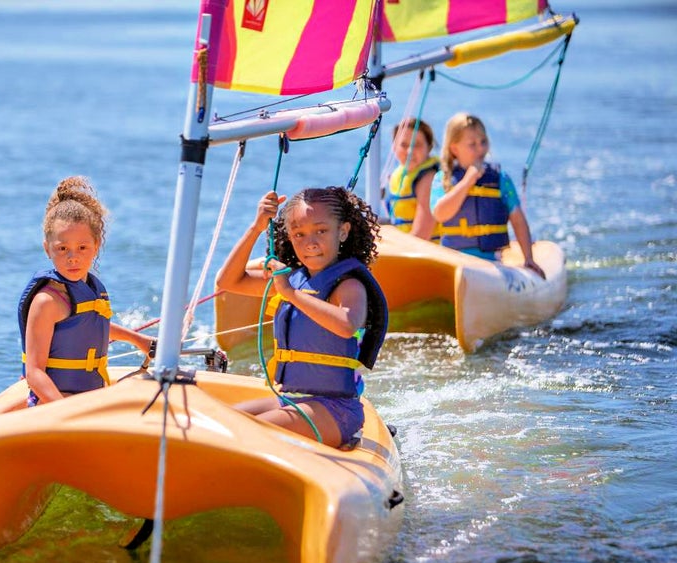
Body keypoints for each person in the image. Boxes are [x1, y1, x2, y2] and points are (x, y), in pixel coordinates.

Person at [215, 186, 388, 449]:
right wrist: (256, 227)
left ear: (343, 231)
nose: (310, 243)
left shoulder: (349, 284)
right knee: (217, 422)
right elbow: (228, 281)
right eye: (299, 234)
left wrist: (291, 293)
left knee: (245, 433)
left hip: (335, 410)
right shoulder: (293, 279)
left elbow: (346, 325)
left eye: (321, 231)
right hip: (291, 399)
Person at [17, 176, 155, 407]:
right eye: (62, 249)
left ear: (96, 245)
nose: (73, 257)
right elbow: (34, 373)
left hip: (91, 397)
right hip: (55, 405)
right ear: (47, 249)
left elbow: (86, 325)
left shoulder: (89, 288)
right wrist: (66, 411)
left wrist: (137, 339)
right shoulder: (47, 302)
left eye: (82, 247)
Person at [431, 112, 546, 278]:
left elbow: (518, 220)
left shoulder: (501, 178)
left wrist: (528, 257)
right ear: (454, 149)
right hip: (453, 262)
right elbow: (440, 214)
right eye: (472, 144)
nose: (481, 149)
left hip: (491, 262)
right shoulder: (443, 179)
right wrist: (467, 182)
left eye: (483, 142)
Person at [385, 117, 440, 241]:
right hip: (407, 247)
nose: (409, 151)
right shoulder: (398, 176)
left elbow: (421, 235)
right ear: (394, 147)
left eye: (417, 145)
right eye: (404, 145)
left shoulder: (428, 179)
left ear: (429, 147)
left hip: (427, 255)